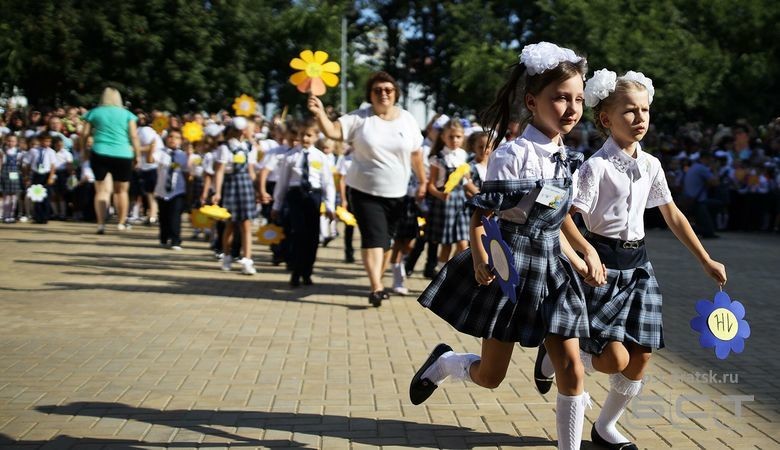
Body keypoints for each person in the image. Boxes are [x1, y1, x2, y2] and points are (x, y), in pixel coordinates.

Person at [409, 42, 605, 450]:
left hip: (553, 270)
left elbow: (558, 212)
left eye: (578, 99)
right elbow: (483, 214)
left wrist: (585, 249)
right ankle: (446, 362)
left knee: (571, 367)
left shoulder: (568, 156)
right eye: (560, 98)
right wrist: (481, 256)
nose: (571, 108)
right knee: (491, 376)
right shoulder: (511, 155)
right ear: (533, 101)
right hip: (512, 267)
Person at [536, 69, 727, 450]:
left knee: (640, 359)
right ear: (606, 119)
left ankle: (605, 428)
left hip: (639, 267)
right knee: (613, 360)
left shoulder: (652, 165)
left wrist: (705, 259)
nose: (640, 119)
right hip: (601, 269)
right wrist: (582, 258)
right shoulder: (595, 167)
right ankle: (554, 357)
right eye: (629, 111)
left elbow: (672, 214)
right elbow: (566, 218)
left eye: (644, 110)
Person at [308, 71, 427, 307]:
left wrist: (423, 181)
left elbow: (416, 154)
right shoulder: (360, 118)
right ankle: (376, 287)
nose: (383, 94)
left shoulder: (407, 119)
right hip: (363, 190)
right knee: (374, 238)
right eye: (377, 90)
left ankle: (378, 281)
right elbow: (333, 132)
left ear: (395, 94)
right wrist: (319, 113)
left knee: (386, 242)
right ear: (370, 95)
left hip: (398, 193)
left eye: (388, 90)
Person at [271, 119, 336, 287]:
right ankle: (295, 271)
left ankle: (307, 271)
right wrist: (276, 205)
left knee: (312, 237)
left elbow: (328, 182)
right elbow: (282, 182)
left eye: (309, 135)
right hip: (295, 196)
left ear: (315, 137)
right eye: (302, 135)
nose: (305, 138)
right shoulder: (290, 156)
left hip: (313, 196)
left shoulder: (321, 157)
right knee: (297, 233)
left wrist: (330, 206)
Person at [81, 87, 141, 234]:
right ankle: (121, 222)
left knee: (101, 190)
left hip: (100, 151)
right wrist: (137, 155)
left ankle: (101, 224)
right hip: (123, 153)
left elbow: (84, 134)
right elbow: (134, 136)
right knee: (121, 191)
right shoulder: (128, 114)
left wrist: (84, 150)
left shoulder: (94, 112)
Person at [212, 117, 257, 275]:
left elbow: (251, 171)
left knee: (246, 224)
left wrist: (256, 190)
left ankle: (247, 260)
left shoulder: (250, 147)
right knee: (230, 224)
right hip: (231, 185)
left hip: (245, 185)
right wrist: (217, 192)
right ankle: (227, 255)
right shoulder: (225, 148)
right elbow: (220, 171)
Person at [426, 119, 470, 269]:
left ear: (463, 137)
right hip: (446, 203)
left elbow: (467, 181)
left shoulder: (464, 156)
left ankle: (453, 270)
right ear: (443, 137)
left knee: (464, 244)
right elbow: (430, 185)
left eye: (458, 136)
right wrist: (440, 195)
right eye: (451, 137)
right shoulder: (438, 158)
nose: (455, 140)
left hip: (462, 202)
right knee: (446, 245)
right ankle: (441, 272)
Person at [150, 129, 188, 250]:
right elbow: (150, 160)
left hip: (178, 190)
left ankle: (176, 240)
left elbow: (187, 171)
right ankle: (164, 237)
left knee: (175, 215)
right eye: (171, 137)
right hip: (162, 190)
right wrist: (151, 148)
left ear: (181, 141)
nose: (173, 140)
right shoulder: (160, 153)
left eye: (177, 137)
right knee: (164, 216)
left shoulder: (183, 155)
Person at [24, 133, 56, 223]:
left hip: (46, 175)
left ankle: (45, 217)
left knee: (46, 196)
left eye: (49, 141)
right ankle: (37, 217)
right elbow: (27, 164)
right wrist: (26, 176)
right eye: (45, 141)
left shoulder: (51, 152)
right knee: (36, 196)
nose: (47, 143)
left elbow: (53, 166)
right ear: (40, 141)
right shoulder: (33, 151)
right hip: (36, 175)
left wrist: (51, 177)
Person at [1, 135, 22, 222]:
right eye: (9, 141)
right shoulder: (3, 151)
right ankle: (5, 215)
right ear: (6, 141)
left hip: (15, 175)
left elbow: (20, 165)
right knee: (6, 195)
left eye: (13, 141)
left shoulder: (19, 152)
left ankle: (11, 215)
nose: (11, 143)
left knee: (14, 195)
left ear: (16, 142)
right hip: (5, 174)